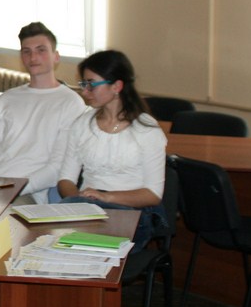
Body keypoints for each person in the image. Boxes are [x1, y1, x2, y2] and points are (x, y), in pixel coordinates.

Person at [54, 50, 167, 248]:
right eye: (83, 84)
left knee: (82, 242)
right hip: (89, 208)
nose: (85, 92)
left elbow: (153, 194)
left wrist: (106, 197)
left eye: (91, 84)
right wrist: (77, 199)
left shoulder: (147, 130)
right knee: (55, 235)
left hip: (132, 212)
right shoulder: (81, 124)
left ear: (117, 86)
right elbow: (66, 179)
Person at [0, 21, 86, 204]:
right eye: (26, 51)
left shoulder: (71, 103)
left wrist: (12, 188)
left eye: (41, 50)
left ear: (56, 56)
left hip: (27, 192)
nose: (33, 57)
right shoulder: (7, 99)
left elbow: (57, 168)